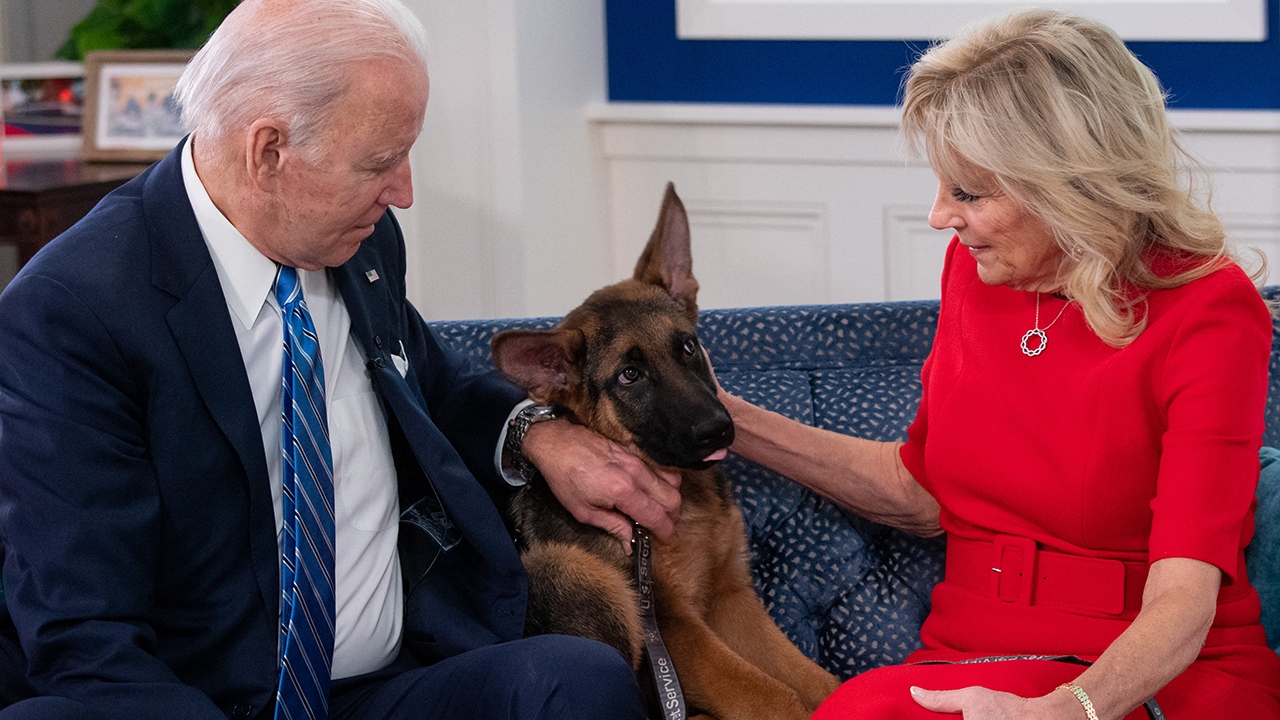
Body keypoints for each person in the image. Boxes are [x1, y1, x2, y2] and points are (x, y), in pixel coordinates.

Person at [0, 0, 684, 718]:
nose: (405, 193)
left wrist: (538, 434)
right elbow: (85, 632)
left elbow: (431, 385)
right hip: (197, 699)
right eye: (380, 163)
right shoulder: (72, 312)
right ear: (268, 152)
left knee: (575, 678)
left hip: (387, 685)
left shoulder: (360, 244)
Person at [708, 9, 1280, 719]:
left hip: (1146, 675)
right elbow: (921, 492)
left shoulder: (1208, 307)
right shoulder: (975, 273)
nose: (939, 216)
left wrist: (1067, 710)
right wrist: (722, 419)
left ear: (1069, 184)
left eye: (969, 194)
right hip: (966, 659)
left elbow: (1184, 599)